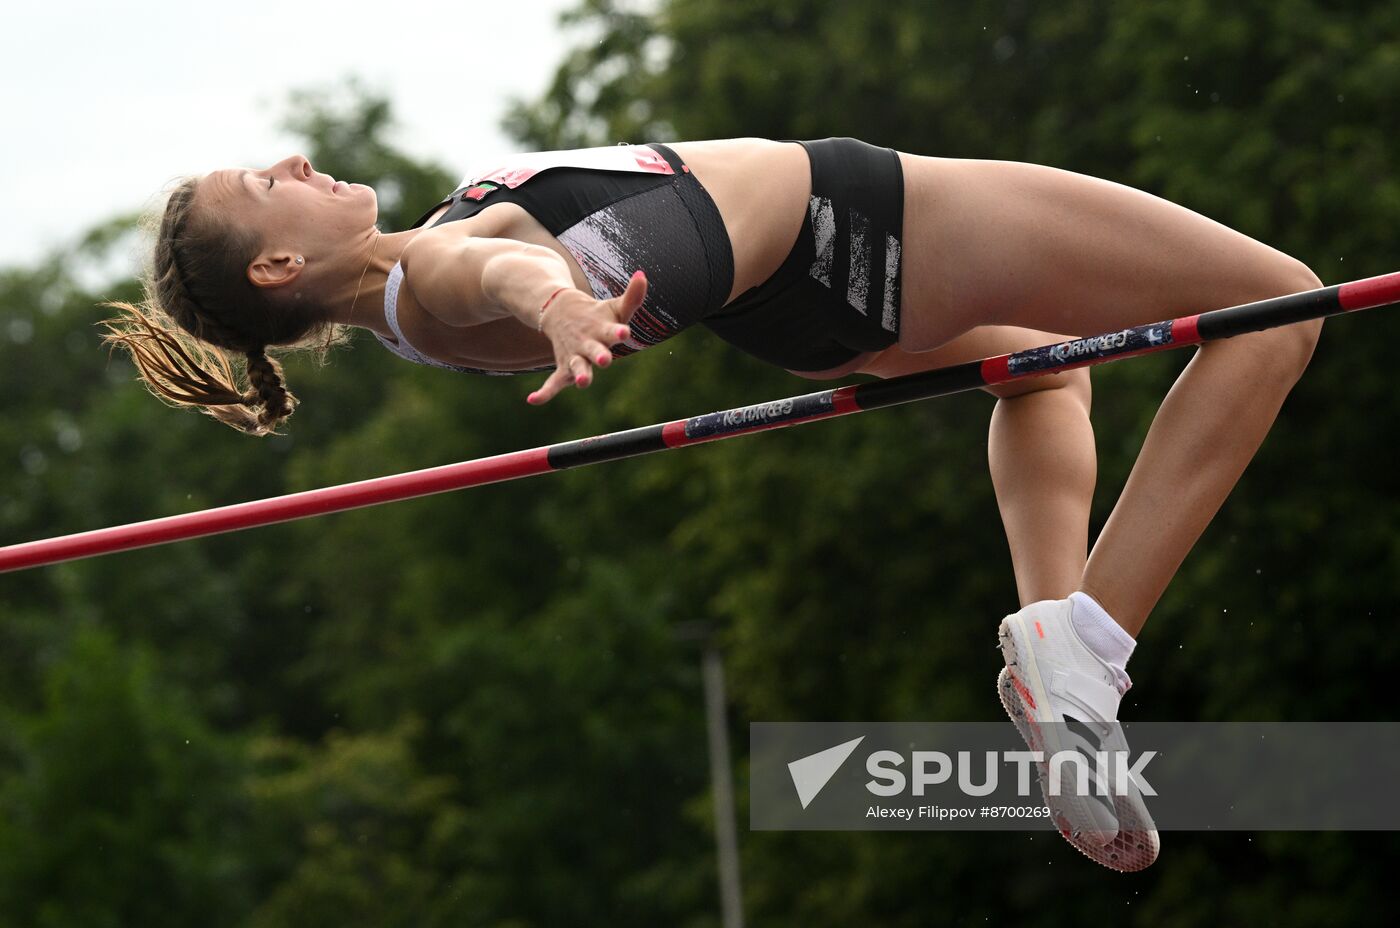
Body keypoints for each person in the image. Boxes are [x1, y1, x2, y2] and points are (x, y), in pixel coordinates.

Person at [104, 137, 1324, 870]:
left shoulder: (406, 307)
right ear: (276, 267)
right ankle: (1089, 645)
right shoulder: (427, 271)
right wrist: (556, 307)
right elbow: (498, 265)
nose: (295, 164)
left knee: (1045, 371)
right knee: (1278, 306)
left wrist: (550, 297)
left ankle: (1057, 655)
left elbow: (490, 257)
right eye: (267, 183)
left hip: (792, 307)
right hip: (865, 222)